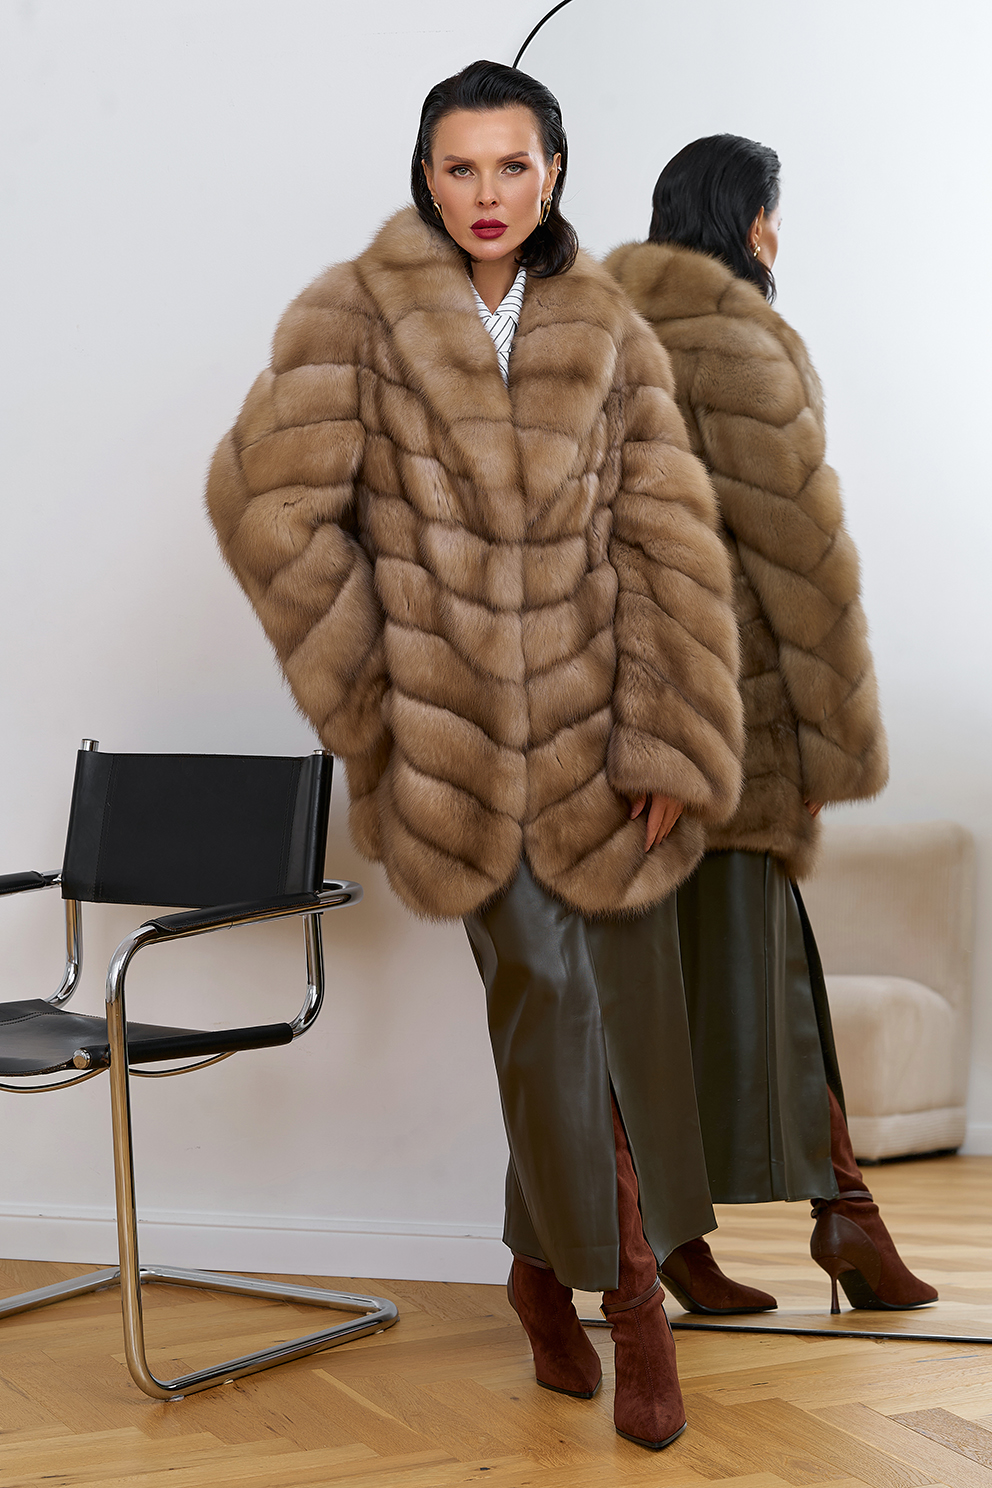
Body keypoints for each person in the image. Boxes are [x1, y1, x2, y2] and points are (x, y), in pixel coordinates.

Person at [206, 63, 745, 1450]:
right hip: (456, 760)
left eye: (512, 165)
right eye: (460, 167)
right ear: (426, 175)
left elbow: (668, 535)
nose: (488, 194)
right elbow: (265, 508)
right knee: (549, 1003)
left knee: (622, 1012)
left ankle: (534, 1272)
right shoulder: (356, 316)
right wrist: (384, 691)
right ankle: (632, 1297)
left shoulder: (608, 325)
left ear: (553, 170)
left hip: (602, 739)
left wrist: (669, 730)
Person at [605, 134, 936, 1317]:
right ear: (748, 222)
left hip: (624, 723)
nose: (775, 234)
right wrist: (827, 741)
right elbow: (799, 560)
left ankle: (684, 1242)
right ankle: (836, 1219)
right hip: (727, 725)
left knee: (648, 999)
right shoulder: (736, 341)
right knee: (760, 988)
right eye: (770, 214)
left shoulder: (597, 333)